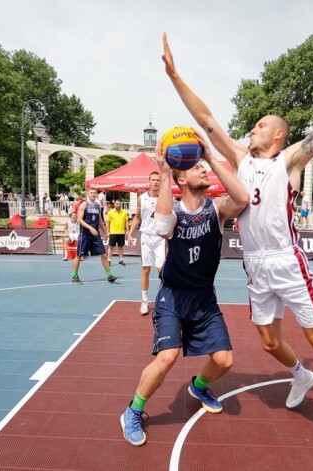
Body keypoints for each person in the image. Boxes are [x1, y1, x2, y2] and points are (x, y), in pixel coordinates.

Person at [162, 13, 313, 458]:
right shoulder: (237, 156)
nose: (250, 128)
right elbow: (205, 117)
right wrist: (176, 77)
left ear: (277, 135)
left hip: (287, 261)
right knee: (270, 341)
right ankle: (301, 376)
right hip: (255, 265)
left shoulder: (290, 160)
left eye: (259, 125)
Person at [120, 134, 249, 447]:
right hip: (174, 296)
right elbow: (162, 227)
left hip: (204, 298)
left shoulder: (216, 208)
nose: (203, 170)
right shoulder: (175, 211)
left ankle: (199, 386)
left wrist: (210, 156)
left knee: (225, 361)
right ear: (181, 178)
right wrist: (164, 172)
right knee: (167, 357)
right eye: (197, 168)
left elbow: (242, 199)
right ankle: (133, 411)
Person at [128, 172, 165, 315]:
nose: (155, 182)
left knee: (161, 270)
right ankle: (144, 300)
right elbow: (137, 217)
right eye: (153, 180)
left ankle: (163, 298)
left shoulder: (165, 198)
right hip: (146, 237)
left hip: (160, 237)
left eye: (158, 180)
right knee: (145, 269)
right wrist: (130, 233)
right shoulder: (141, 198)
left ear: (160, 182)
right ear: (148, 181)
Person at [71, 188, 118, 284]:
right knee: (79, 255)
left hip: (95, 235)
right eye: (91, 193)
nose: (93, 194)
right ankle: (75, 276)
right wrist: (90, 228)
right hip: (85, 235)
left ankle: (109, 276)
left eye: (94, 193)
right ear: (88, 194)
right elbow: (79, 219)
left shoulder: (97, 206)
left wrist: (105, 232)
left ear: (96, 194)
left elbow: (100, 220)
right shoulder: (84, 205)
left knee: (104, 255)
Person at [106, 199, 129, 266]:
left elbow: (126, 221)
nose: (118, 205)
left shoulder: (124, 212)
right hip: (113, 233)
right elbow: (107, 222)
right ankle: (109, 260)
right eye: (117, 204)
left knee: (121, 247)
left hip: (121, 232)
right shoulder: (110, 212)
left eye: (119, 204)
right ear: (114, 204)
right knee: (111, 247)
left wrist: (127, 230)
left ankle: (121, 260)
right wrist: (108, 232)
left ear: (120, 204)